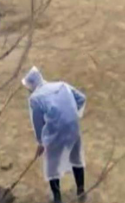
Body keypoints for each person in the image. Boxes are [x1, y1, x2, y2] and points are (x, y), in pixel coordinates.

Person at [22, 67, 86, 203]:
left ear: (32, 85)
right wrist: (72, 115)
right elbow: (81, 98)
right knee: (76, 157)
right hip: (73, 127)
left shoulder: (35, 99)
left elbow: (38, 123)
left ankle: (57, 198)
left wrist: (40, 143)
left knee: (52, 163)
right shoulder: (62, 85)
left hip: (55, 132)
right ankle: (81, 191)